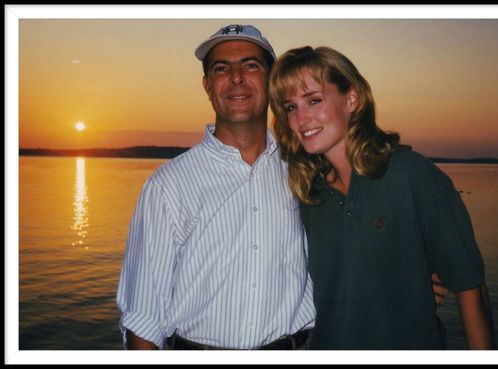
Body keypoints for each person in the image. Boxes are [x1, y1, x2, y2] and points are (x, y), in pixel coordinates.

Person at [116, 24, 449, 350]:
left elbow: (349, 247)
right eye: (221, 68)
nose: (236, 77)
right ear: (207, 85)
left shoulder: (308, 172)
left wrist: (408, 273)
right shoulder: (167, 186)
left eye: (250, 65)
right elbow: (143, 317)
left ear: (270, 80)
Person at [269, 46, 494, 350]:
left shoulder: (410, 174)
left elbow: (471, 289)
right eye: (291, 107)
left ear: (352, 99)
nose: (301, 118)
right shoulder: (309, 196)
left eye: (314, 100)